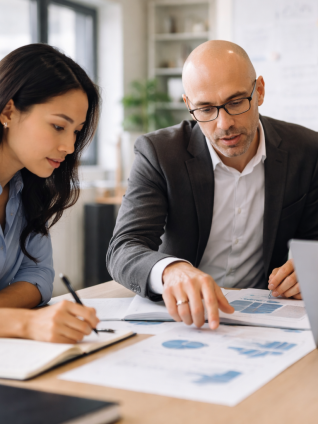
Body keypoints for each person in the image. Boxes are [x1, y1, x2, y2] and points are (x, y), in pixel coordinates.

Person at [107, 40, 318, 330]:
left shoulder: (306, 150)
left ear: (259, 91)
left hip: (266, 317)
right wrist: (172, 271)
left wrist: (311, 268)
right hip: (183, 318)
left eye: (235, 102)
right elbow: (124, 248)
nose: (223, 124)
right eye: (205, 109)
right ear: (188, 105)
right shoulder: (159, 153)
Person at [0, 44, 100, 342]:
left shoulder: (29, 188)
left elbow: (38, 274)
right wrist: (22, 323)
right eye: (58, 126)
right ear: (8, 110)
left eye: (76, 132)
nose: (69, 147)